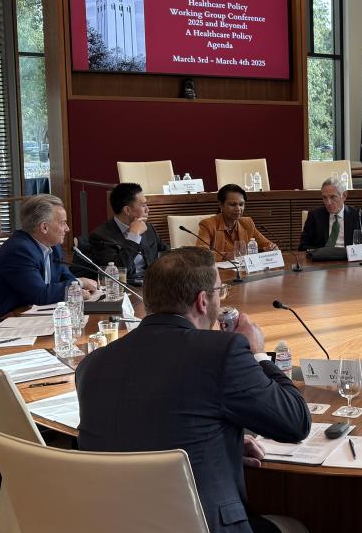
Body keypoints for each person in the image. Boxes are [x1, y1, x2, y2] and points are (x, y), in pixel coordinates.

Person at [76, 247, 311, 533]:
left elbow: (144, 428)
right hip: (200, 523)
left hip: (118, 523)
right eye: (219, 291)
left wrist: (223, 446)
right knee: (294, 527)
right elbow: (295, 422)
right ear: (202, 301)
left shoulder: (92, 365)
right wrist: (258, 353)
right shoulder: (221, 352)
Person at [0, 194, 98, 327]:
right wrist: (80, 283)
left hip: (25, 315)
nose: (67, 229)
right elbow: (40, 294)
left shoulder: (52, 247)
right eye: (63, 223)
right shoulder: (19, 250)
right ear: (44, 227)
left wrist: (79, 289)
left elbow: (64, 276)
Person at [88, 182, 168, 286]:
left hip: (154, 285)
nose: (148, 210)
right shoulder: (101, 237)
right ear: (127, 210)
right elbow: (115, 275)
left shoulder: (148, 228)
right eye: (143, 205)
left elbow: (166, 253)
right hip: (126, 289)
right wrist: (133, 236)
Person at [195, 184, 277, 257]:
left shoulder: (247, 223)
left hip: (243, 270)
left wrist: (271, 248)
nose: (238, 209)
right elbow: (201, 254)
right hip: (218, 271)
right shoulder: (208, 224)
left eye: (241, 204)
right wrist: (230, 255)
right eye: (232, 204)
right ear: (221, 205)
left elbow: (266, 244)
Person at [298, 177, 362, 250]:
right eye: (325, 197)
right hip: (322, 258)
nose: (328, 202)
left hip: (348, 257)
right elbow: (303, 246)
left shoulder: (358, 215)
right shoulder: (314, 216)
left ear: (344, 195)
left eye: (333, 197)